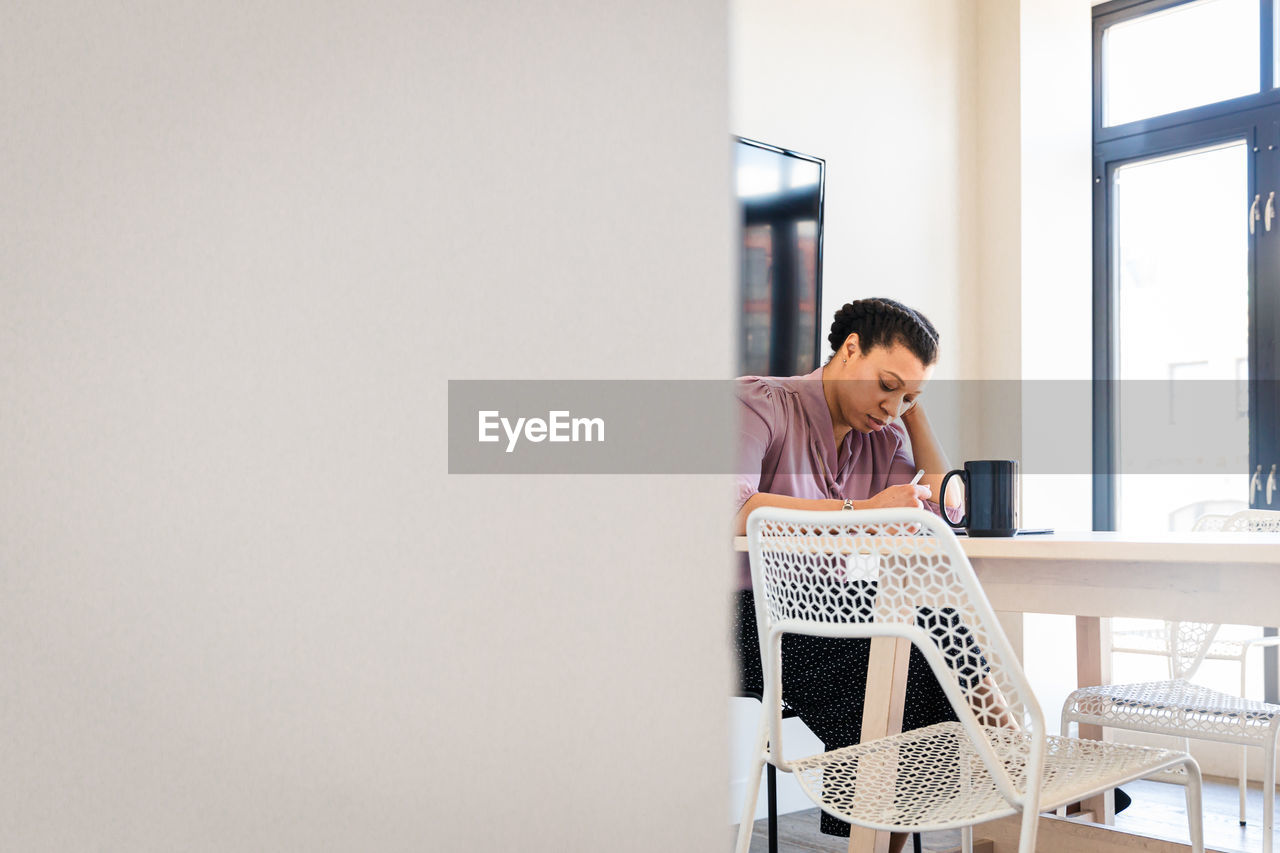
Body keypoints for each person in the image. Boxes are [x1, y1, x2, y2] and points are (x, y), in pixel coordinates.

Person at [732, 297, 965, 852]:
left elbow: (941, 507)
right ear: (850, 349)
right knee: (907, 673)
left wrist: (914, 410)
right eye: (886, 385)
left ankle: (1008, 754)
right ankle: (1016, 768)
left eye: (907, 394)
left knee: (937, 632)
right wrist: (861, 513)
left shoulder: (879, 439)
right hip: (742, 614)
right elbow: (731, 509)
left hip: (825, 611)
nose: (891, 406)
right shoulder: (758, 402)